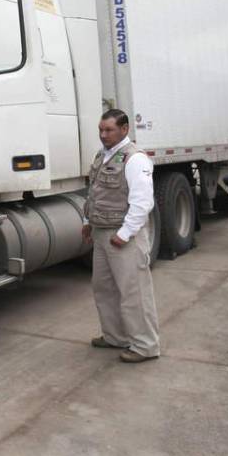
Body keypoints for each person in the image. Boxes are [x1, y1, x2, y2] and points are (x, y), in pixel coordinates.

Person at [80, 109, 160, 363]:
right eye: (101, 130)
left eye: (109, 130)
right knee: (104, 288)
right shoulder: (102, 156)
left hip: (123, 236)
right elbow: (95, 192)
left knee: (134, 292)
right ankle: (115, 336)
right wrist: (87, 222)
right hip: (101, 233)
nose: (103, 135)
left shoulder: (135, 159)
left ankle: (145, 346)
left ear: (124, 129)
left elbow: (143, 202)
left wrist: (124, 234)